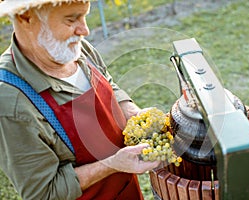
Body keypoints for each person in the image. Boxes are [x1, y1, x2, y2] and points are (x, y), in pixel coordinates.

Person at [0, 0, 160, 199]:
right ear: (26, 17)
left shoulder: (75, 48)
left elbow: (107, 82)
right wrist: (111, 164)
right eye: (71, 19)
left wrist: (132, 112)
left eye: (84, 16)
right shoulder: (10, 102)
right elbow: (43, 192)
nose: (85, 30)